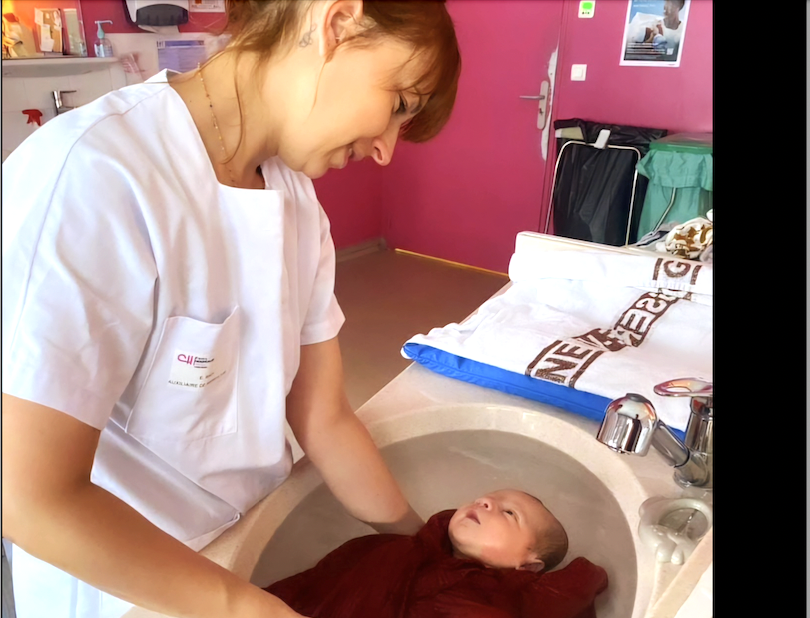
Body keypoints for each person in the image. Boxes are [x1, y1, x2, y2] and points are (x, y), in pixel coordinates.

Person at [0, 1, 461, 618]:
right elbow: (28, 496)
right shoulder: (94, 174)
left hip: (244, 550)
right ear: (337, 23)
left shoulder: (297, 202)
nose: (386, 150)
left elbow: (323, 418)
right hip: (128, 587)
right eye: (400, 103)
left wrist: (428, 545)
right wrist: (246, 609)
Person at [265, 489, 609, 618]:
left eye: (508, 513)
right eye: (486, 498)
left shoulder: (514, 596)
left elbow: (574, 589)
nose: (485, 502)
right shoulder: (402, 549)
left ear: (528, 566)